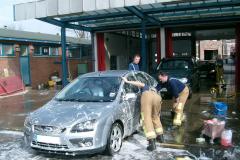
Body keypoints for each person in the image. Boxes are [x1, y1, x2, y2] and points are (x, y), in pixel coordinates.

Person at [122, 77, 164, 151]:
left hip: (148, 96)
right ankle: (161, 137)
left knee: (146, 119)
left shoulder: (145, 86)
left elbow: (139, 84)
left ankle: (152, 143)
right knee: (155, 117)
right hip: (157, 97)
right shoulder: (152, 88)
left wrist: (127, 81)